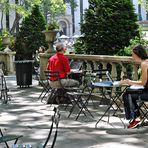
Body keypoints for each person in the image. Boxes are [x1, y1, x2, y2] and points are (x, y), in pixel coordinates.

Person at [120, 44, 148, 129]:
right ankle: (136, 117)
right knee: (128, 92)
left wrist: (129, 82)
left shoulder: (144, 64)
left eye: (133, 55)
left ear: (138, 54)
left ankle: (136, 118)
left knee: (127, 95)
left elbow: (143, 83)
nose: (132, 57)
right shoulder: (146, 62)